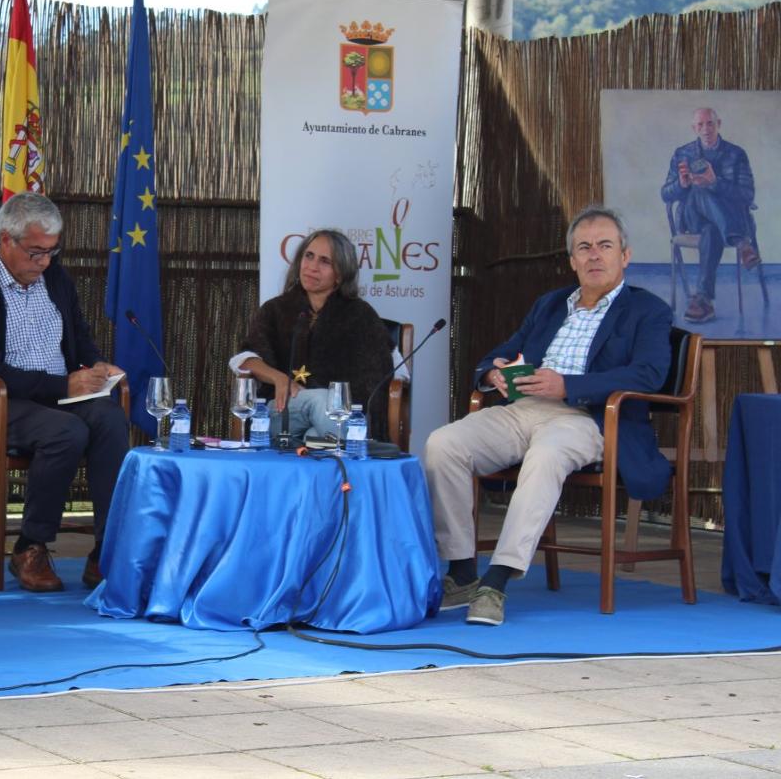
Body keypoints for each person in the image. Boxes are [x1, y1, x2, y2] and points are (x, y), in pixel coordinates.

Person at [425, 206, 673, 626]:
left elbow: (648, 373)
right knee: (442, 444)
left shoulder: (647, 311)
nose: (594, 255)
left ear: (625, 256)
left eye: (605, 246)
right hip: (523, 408)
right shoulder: (551, 304)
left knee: (547, 456)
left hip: (588, 417)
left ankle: (497, 581)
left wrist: (570, 386)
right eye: (584, 248)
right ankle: (463, 570)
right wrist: (492, 372)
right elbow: (502, 350)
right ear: (572, 260)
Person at [0, 192, 129, 593]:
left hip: (54, 397)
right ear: (6, 239)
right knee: (66, 431)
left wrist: (96, 365)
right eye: (36, 252)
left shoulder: (55, 278)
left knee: (109, 418)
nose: (43, 263)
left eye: (51, 252)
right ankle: (30, 545)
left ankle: (106, 549)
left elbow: (78, 337)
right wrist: (63, 385)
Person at [230, 229, 396, 441]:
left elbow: (386, 371)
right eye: (309, 256)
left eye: (325, 261)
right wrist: (280, 378)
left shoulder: (360, 315)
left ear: (340, 274)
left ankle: (324, 443)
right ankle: (355, 452)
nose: (312, 267)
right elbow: (245, 360)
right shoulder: (275, 309)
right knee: (322, 400)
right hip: (280, 411)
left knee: (314, 435)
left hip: (331, 419)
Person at [660, 107, 760, 323]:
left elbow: (747, 194)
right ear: (693, 128)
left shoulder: (736, 154)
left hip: (717, 224)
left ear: (719, 124)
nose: (705, 129)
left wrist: (716, 183)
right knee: (697, 187)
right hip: (692, 218)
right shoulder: (682, 153)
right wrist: (682, 184)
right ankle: (741, 243)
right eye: (700, 125)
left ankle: (703, 300)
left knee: (711, 230)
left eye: (710, 124)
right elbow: (665, 194)